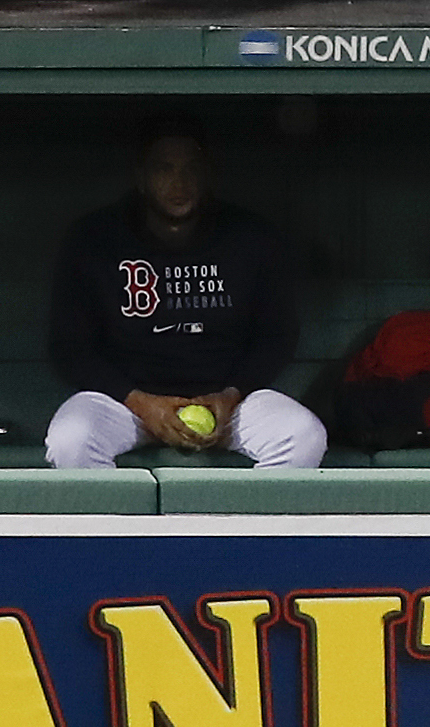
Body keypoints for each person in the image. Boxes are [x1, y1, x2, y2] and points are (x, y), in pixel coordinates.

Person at [45, 116, 325, 469]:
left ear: (208, 176)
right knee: (71, 441)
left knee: (303, 436)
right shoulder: (95, 238)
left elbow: (277, 335)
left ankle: (248, 526)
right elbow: (69, 347)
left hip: (227, 405)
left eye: (191, 169)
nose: (179, 183)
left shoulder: (251, 237)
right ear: (141, 178)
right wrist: (141, 404)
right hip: (126, 404)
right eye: (164, 169)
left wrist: (231, 396)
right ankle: (122, 528)